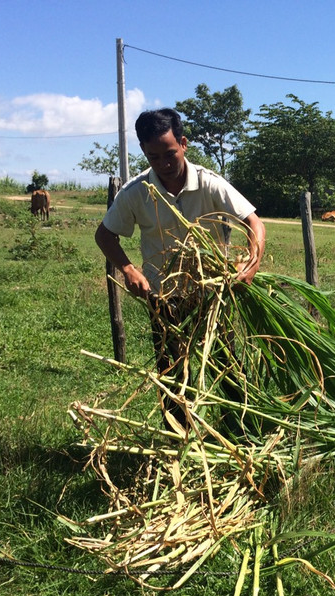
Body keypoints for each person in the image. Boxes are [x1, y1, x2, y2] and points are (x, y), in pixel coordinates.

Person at [95, 108, 266, 432]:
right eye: (154, 156)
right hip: (163, 297)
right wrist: (129, 269)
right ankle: (179, 440)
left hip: (211, 293)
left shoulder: (209, 184)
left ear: (184, 143)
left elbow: (254, 223)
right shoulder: (137, 192)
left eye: (169, 153)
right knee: (170, 371)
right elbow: (104, 235)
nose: (163, 164)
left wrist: (250, 263)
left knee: (225, 363)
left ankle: (244, 433)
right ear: (145, 152)